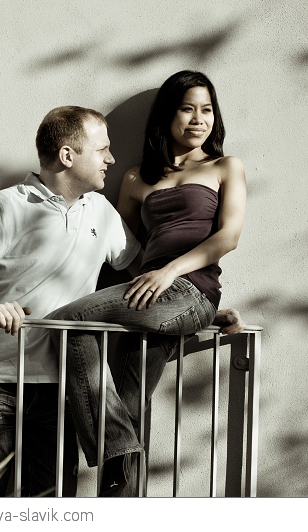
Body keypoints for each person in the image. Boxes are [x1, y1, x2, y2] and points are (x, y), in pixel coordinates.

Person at [0, 104, 243, 497]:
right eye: (102, 149)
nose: (112, 159)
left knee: (50, 508)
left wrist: (197, 314)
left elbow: (141, 281)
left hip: (61, 389)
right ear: (68, 156)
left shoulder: (102, 212)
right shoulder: (7, 205)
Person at [47, 70, 247, 496]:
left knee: (68, 322)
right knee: (131, 401)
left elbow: (227, 237)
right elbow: (120, 251)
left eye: (207, 109)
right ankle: (119, 503)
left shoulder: (225, 167)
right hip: (150, 299)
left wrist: (172, 274)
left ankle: (113, 444)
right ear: (167, 115)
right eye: (188, 108)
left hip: (188, 290)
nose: (199, 119)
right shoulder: (137, 177)